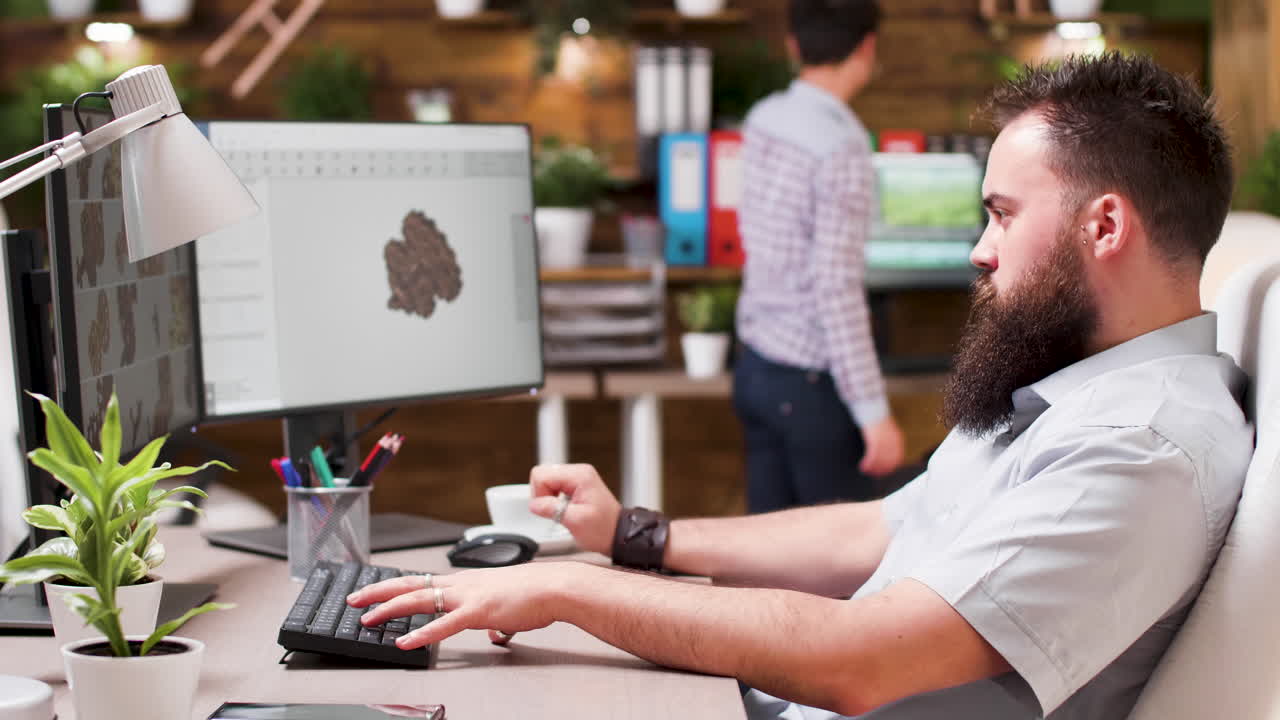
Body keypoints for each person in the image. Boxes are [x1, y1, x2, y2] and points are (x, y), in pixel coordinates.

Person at [348, 52, 1252, 720]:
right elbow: (877, 528)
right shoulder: (1074, 390)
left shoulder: (1139, 450)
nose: (980, 249)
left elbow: (859, 660)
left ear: (1104, 225)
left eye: (1002, 215)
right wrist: (632, 535)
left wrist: (568, 592)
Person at [734, 0, 905, 513]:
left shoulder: (763, 118)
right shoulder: (841, 145)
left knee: (766, 559)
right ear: (867, 47)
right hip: (811, 388)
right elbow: (836, 288)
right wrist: (874, 412)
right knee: (840, 577)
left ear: (794, 46)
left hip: (754, 369)